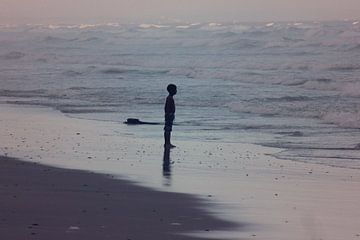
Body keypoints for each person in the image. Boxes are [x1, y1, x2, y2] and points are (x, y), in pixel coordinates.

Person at [164, 84, 177, 148]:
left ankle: (168, 143)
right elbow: (167, 107)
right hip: (169, 115)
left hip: (169, 115)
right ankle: (167, 143)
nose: (176, 91)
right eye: (175, 90)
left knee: (168, 129)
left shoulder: (170, 98)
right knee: (168, 129)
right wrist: (169, 114)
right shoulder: (169, 98)